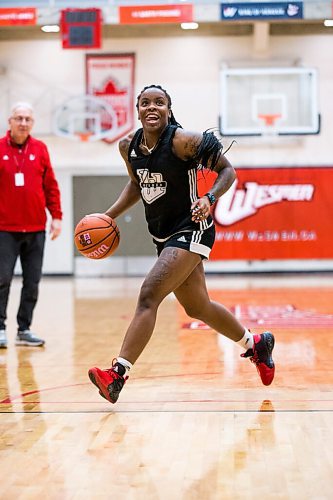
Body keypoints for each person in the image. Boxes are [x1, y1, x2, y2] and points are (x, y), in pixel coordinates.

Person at [88, 84, 275, 403]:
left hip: (193, 227)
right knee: (197, 306)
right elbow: (137, 184)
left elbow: (227, 171)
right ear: (137, 110)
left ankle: (117, 374)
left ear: (168, 110)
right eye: (145, 103)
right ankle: (255, 344)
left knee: (149, 295)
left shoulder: (183, 141)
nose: (151, 107)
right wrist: (108, 216)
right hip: (163, 236)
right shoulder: (128, 146)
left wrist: (209, 198)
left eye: (159, 103)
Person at [0, 102, 62, 348]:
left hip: (36, 228)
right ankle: (0, 327)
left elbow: (51, 185)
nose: (23, 123)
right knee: (2, 279)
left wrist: (56, 216)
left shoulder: (40, 148)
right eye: (19, 118)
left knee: (32, 281)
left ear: (32, 123)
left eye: (27, 119)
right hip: (5, 229)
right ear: (10, 122)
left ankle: (24, 329)